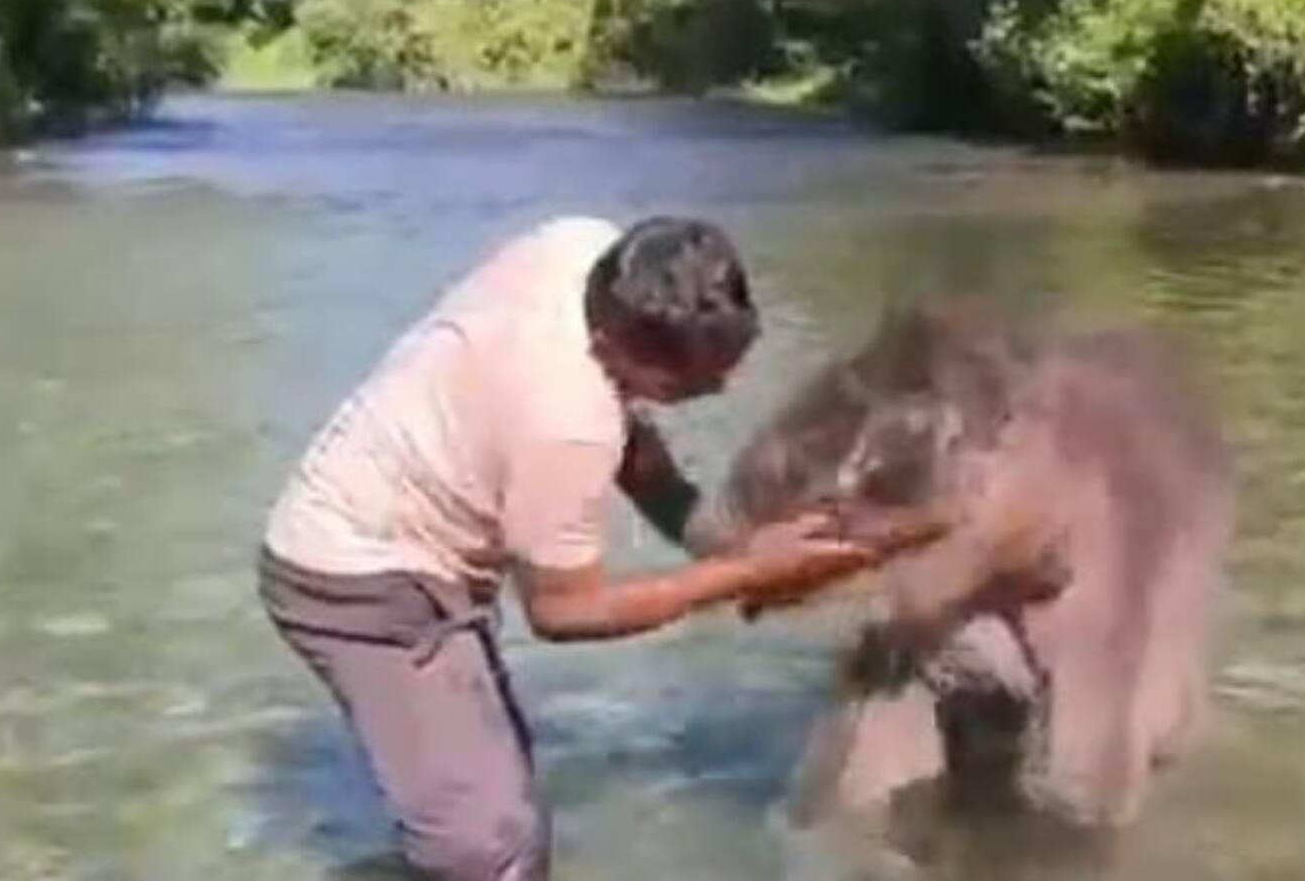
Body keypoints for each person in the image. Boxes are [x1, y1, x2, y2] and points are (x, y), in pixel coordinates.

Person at [256, 215, 895, 881]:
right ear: (610, 348)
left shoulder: (582, 249)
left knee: (509, 819)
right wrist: (746, 570)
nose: (719, 389)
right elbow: (564, 612)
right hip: (356, 580)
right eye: (685, 385)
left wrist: (725, 543)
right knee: (490, 853)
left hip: (391, 519)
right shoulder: (567, 422)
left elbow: (633, 445)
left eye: (729, 362)